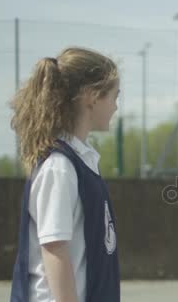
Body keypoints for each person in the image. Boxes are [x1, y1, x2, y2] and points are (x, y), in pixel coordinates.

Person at [9, 47, 121, 302]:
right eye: (114, 96)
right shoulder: (59, 167)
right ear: (92, 96)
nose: (115, 106)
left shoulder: (83, 160)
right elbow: (54, 249)